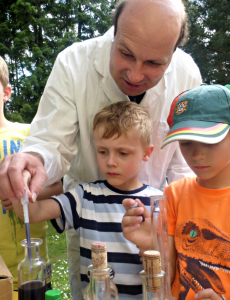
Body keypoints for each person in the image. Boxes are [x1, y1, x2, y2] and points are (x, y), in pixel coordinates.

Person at [0, 0, 202, 298]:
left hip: (157, 241)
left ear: (173, 53)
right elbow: (49, 143)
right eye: (125, 53)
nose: (134, 75)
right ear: (114, 30)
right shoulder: (73, 64)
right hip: (89, 240)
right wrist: (32, 160)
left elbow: (185, 169)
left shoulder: (187, 74)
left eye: (154, 63)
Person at [13, 101, 163, 300]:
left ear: (147, 153)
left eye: (123, 153)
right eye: (102, 151)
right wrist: (17, 184)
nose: (110, 161)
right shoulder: (83, 196)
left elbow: (167, 266)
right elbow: (34, 212)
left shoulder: (158, 202)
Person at [122, 84, 230, 300]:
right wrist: (150, 244)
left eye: (209, 141)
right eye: (187, 142)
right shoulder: (175, 194)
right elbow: (167, 272)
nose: (197, 154)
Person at [0, 56, 63, 293]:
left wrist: (22, 195)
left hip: (34, 267)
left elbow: (59, 186)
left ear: (6, 93)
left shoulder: (32, 137)